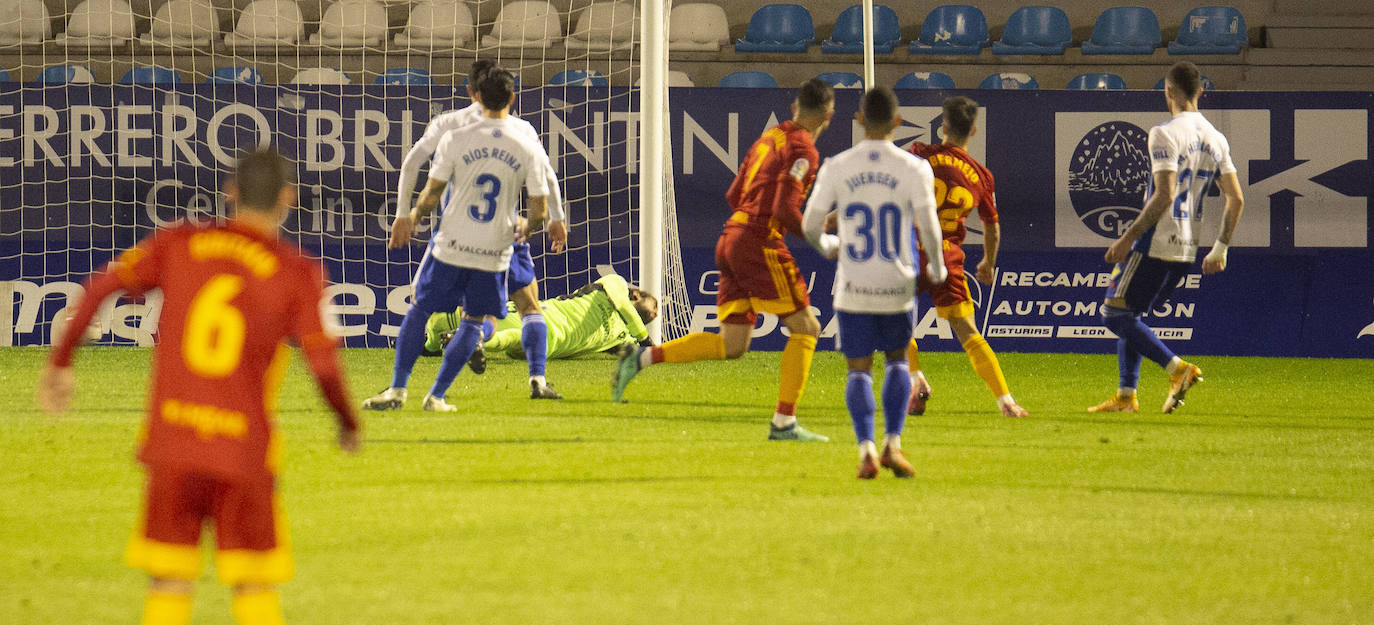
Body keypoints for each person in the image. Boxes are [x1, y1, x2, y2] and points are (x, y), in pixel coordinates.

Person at [35, 149, 362, 625]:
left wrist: (60, 364)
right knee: (253, 583)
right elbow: (325, 365)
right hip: (243, 452)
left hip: (173, 444)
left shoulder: (178, 242)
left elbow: (100, 286)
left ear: (230, 192)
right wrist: (347, 422)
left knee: (169, 580)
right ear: (288, 199)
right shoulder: (297, 272)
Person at [612, 79, 836, 442]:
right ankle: (784, 423)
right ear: (829, 116)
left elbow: (735, 194)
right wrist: (819, 239)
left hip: (732, 235)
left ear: (794, 108)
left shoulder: (769, 139)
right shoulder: (804, 150)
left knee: (733, 345)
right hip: (758, 242)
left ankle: (640, 359)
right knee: (807, 328)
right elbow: (782, 207)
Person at [366, 68, 556, 412]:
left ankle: (396, 390)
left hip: (451, 245)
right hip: (493, 252)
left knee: (420, 309)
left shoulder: (455, 136)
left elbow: (431, 194)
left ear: (476, 96)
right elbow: (539, 211)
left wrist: (409, 220)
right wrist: (525, 228)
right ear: (512, 99)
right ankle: (436, 396)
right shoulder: (526, 143)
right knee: (474, 321)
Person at [802, 86, 947, 478]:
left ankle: (866, 448)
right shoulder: (914, 168)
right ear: (898, 123)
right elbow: (929, 225)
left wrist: (830, 245)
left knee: (858, 370)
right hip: (897, 284)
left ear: (859, 120)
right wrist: (937, 265)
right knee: (898, 360)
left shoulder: (838, 166)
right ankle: (893, 445)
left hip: (854, 285)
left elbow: (809, 225)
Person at [1091, 61, 1244, 414]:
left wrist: (1128, 238)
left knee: (1113, 316)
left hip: (1156, 240)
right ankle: (1126, 397)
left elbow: (1163, 194)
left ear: (1169, 91)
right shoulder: (1216, 139)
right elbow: (1236, 199)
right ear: (1200, 92)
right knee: (1131, 315)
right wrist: (1220, 248)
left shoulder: (1164, 133)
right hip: (1188, 247)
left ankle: (1178, 369)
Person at [903, 96, 1029, 419]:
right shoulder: (981, 176)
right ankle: (1007, 402)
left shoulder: (920, 155)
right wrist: (988, 261)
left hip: (913, 251)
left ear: (942, 127)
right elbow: (992, 227)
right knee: (969, 333)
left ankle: (916, 380)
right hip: (947, 258)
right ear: (973, 130)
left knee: (895, 325)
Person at [423, 273, 658, 362]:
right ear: (636, 294)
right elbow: (623, 306)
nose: (656, 313)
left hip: (550, 343)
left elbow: (630, 352)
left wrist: (654, 353)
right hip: (544, 316)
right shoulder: (615, 284)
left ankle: (469, 340)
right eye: (654, 306)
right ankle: (434, 345)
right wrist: (646, 340)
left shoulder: (620, 337)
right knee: (449, 316)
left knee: (514, 339)